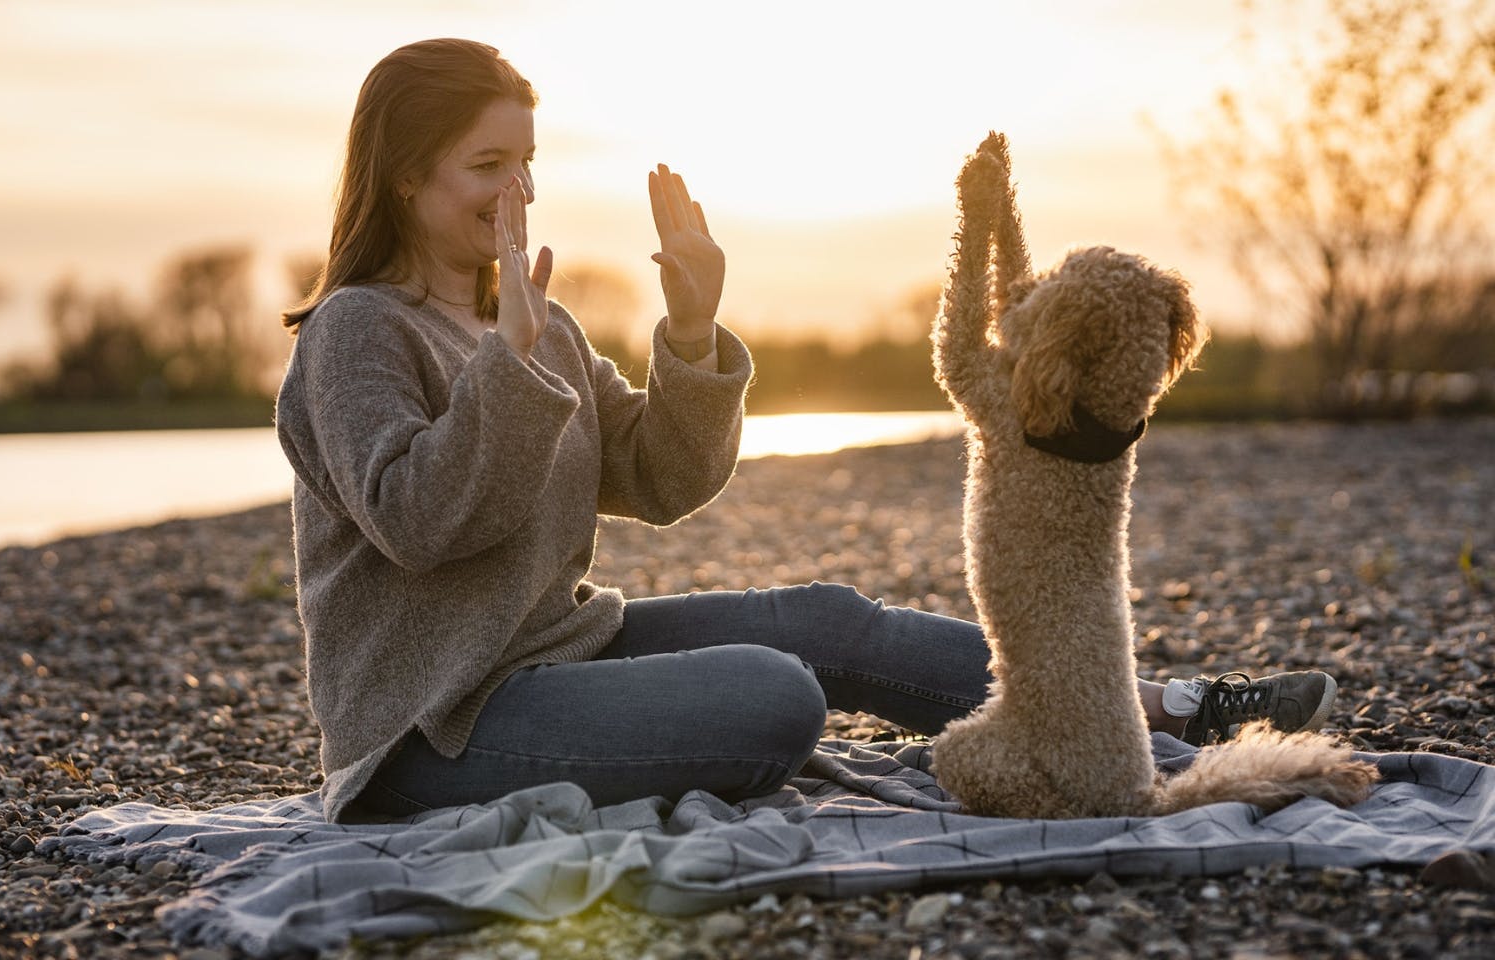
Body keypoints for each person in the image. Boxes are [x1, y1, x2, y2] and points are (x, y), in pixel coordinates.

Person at [275, 38, 1337, 823]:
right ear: (406, 172)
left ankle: (1164, 711)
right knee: (772, 696)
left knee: (823, 620)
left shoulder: (531, 321)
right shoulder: (355, 334)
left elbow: (658, 477)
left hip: (556, 649)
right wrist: (506, 366)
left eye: (528, 160)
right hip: (434, 724)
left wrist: (687, 334)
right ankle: (1105, 723)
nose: (521, 190)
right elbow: (419, 523)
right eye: (487, 164)